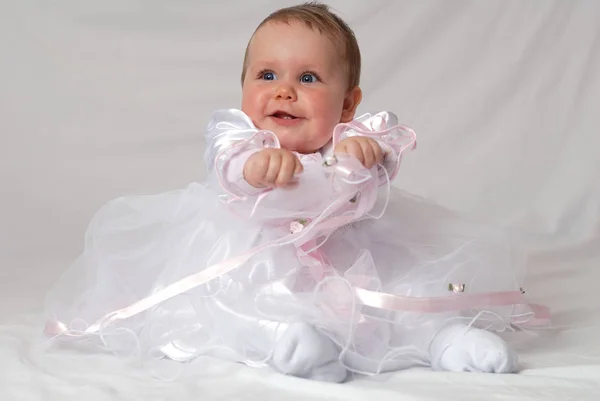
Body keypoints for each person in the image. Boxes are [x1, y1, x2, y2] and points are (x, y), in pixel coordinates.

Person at [44, 2, 549, 383]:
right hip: (251, 258)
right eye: (267, 75)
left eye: (308, 78)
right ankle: (286, 342)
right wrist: (256, 167)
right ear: (243, 87)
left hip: (353, 258)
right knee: (229, 310)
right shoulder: (238, 136)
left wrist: (366, 159)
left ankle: (442, 338)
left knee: (399, 296)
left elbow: (372, 180)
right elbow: (230, 168)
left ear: (347, 103)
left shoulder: (355, 138)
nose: (284, 90)